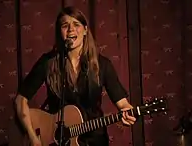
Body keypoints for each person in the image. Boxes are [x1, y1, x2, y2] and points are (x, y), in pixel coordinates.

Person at [14, 6, 136, 146]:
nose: (71, 29)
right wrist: (32, 137)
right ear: (60, 32)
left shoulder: (103, 65)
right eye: (65, 25)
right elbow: (20, 100)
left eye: (76, 24)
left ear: (85, 30)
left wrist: (127, 112)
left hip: (95, 140)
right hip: (58, 142)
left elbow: (122, 103)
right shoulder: (48, 62)